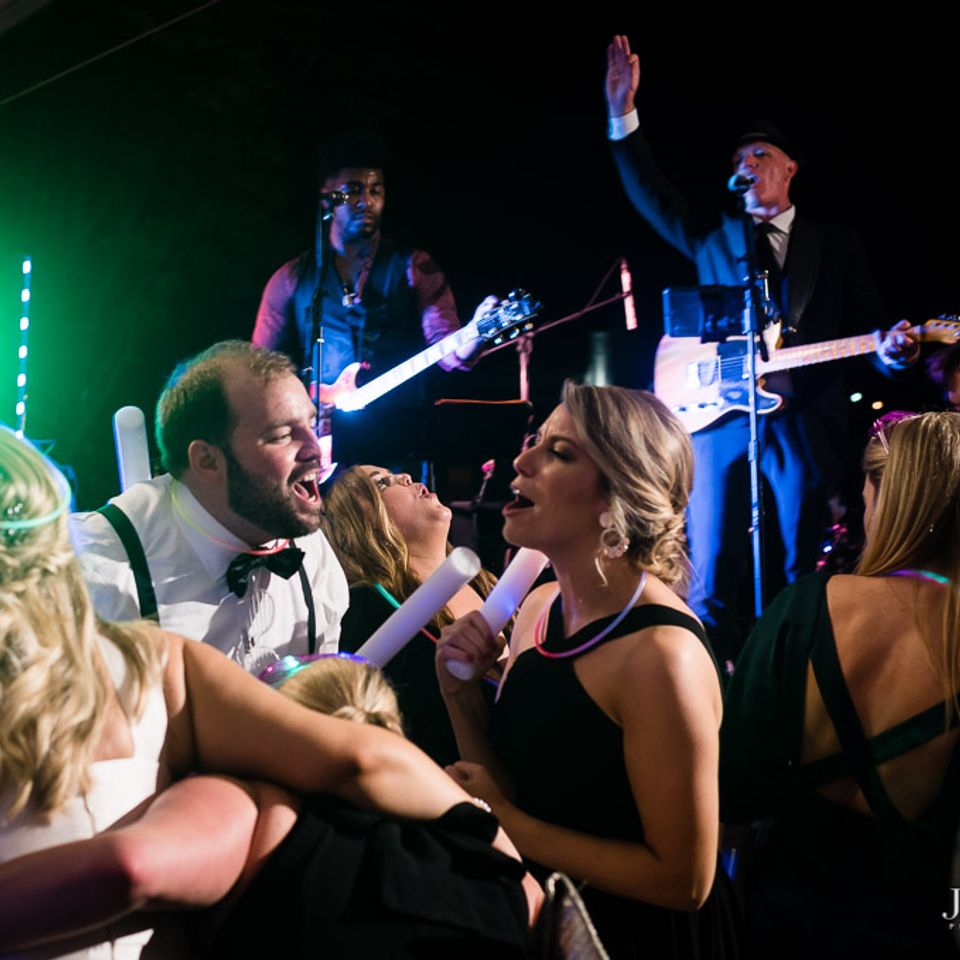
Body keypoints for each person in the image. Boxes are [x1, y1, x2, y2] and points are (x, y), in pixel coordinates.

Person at [0, 426, 536, 958]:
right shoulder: (164, 673)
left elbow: (132, 867)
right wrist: (498, 843)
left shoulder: (227, 781)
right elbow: (366, 761)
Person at [604, 35, 919, 661]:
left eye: (758, 153)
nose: (745, 165)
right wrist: (622, 116)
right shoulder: (715, 235)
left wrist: (891, 350)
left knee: (805, 553)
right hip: (717, 418)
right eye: (739, 158)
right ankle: (711, 677)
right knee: (713, 558)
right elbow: (650, 194)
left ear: (789, 166)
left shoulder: (834, 244)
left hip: (799, 419)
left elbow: (872, 326)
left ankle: (799, 671)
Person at [436, 383, 738, 959]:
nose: (521, 461)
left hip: (640, 940)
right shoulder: (539, 606)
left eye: (560, 453)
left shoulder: (660, 655)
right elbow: (508, 793)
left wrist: (512, 826)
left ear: (617, 496)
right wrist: (460, 695)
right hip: (553, 920)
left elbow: (685, 881)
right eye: (535, 442)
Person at [720, 411, 960, 958]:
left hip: (785, 923)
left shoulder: (806, 606)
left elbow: (734, 787)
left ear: (881, 495)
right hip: (916, 929)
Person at [70, 340, 348, 672]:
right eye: (282, 435)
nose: (315, 450)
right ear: (207, 460)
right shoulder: (100, 570)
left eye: (311, 425)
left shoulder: (313, 554)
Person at [253, 131, 495, 406]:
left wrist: (476, 332)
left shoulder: (415, 266)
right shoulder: (291, 278)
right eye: (353, 191)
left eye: (375, 190)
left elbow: (449, 352)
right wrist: (310, 398)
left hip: (398, 426)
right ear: (326, 200)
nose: (367, 202)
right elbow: (260, 372)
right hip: (319, 434)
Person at [322, 465, 499, 766]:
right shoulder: (370, 609)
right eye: (381, 484)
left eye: (395, 475)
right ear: (360, 522)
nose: (405, 478)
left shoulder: (488, 584)